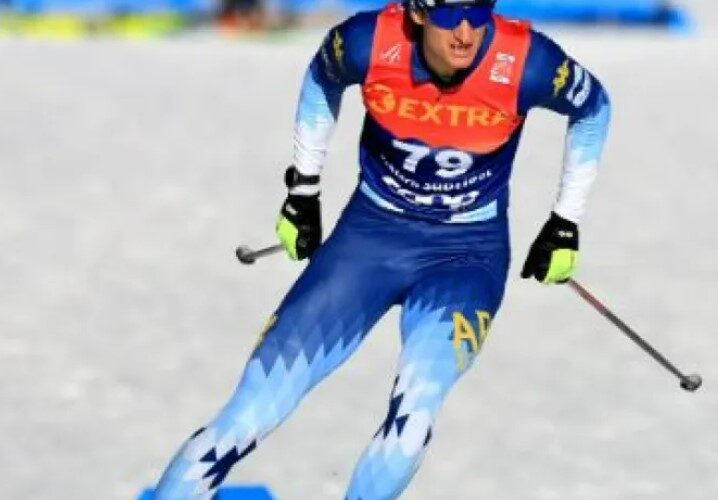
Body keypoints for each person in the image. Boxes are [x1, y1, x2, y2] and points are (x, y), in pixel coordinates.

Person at [153, 0, 611, 497]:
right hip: (367, 241)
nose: (466, 33)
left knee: (414, 414)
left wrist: (565, 222)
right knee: (249, 413)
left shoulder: (527, 61)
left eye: (479, 13)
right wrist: (303, 191)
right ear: (419, 13)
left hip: (466, 255)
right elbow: (321, 78)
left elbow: (593, 108)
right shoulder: (368, 42)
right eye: (449, 16)